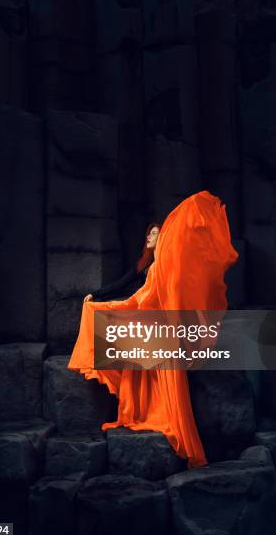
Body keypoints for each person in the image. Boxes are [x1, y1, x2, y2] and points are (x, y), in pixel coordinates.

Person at [67, 190, 239, 469]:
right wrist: (102, 303)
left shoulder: (167, 270)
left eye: (155, 233)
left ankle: (162, 423)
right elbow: (137, 298)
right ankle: (143, 412)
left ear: (166, 238)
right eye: (148, 234)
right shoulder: (152, 268)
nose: (149, 236)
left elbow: (146, 300)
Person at [84, 222, 162, 303]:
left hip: (164, 308)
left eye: (153, 233)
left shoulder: (165, 264)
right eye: (148, 233)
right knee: (101, 313)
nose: (148, 237)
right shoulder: (143, 264)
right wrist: (94, 294)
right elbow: (120, 284)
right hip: (147, 307)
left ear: (161, 237)